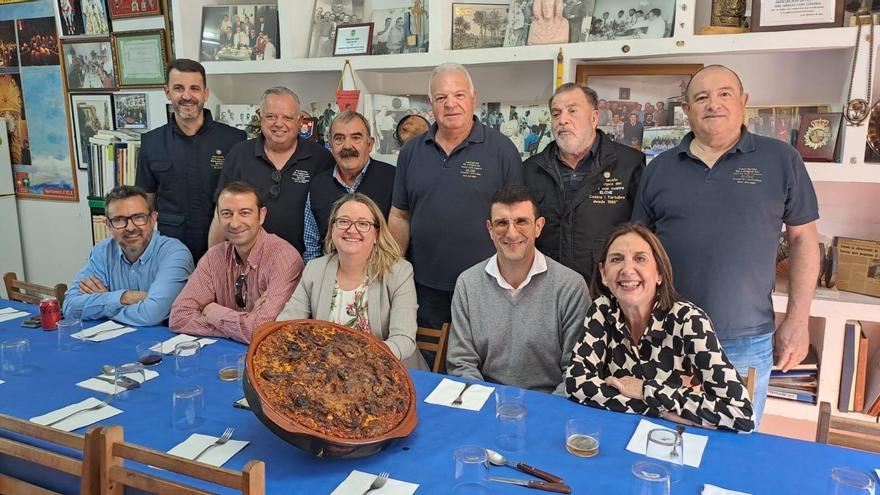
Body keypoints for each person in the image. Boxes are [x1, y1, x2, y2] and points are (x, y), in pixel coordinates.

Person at [632, 65, 820, 425]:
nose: (713, 104)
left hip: (745, 340)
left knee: (736, 443)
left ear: (743, 102)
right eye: (701, 97)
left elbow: (803, 240)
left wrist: (798, 319)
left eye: (724, 94)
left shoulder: (780, 159)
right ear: (686, 111)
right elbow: (640, 250)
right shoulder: (659, 169)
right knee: (661, 437)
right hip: (668, 334)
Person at [565, 223, 755, 432]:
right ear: (603, 273)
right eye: (616, 259)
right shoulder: (602, 311)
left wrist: (646, 389)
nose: (627, 270)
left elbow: (741, 414)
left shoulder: (689, 321)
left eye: (640, 258)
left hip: (678, 440)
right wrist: (659, 410)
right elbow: (577, 384)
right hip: (619, 432)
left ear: (659, 273)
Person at [388, 63, 523, 332]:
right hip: (423, 287)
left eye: (459, 95)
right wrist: (395, 271)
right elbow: (400, 215)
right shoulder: (411, 152)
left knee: (479, 367)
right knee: (427, 364)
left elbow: (517, 222)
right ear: (431, 103)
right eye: (441, 98)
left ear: (474, 97)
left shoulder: (502, 151)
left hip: (486, 287)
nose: (451, 104)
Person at [447, 186, 589, 393]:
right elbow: (461, 363)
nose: (512, 233)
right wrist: (486, 406)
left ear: (538, 227)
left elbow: (576, 371)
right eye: (502, 223)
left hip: (548, 404)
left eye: (521, 221)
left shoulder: (570, 286)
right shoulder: (468, 283)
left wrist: (542, 415)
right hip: (486, 399)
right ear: (489, 229)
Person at [277, 194, 428, 370]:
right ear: (332, 229)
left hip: (389, 374)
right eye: (343, 221)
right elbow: (285, 326)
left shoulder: (399, 272)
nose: (351, 229)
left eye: (363, 224)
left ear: (376, 234)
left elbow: (403, 339)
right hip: (327, 374)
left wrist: (361, 361)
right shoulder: (315, 269)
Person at [523, 83, 644, 283]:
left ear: (594, 118)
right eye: (556, 114)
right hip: (547, 288)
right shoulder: (531, 169)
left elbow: (643, 233)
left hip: (608, 288)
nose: (563, 120)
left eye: (572, 111)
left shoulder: (629, 165)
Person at [136, 59, 246, 263]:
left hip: (226, 248)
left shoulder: (234, 140)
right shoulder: (151, 143)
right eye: (179, 88)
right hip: (171, 251)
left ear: (205, 93)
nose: (187, 96)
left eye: (194, 88)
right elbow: (145, 205)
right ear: (167, 91)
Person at [170, 181, 303, 343]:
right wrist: (244, 325)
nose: (235, 223)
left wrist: (214, 312)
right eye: (227, 214)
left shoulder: (284, 259)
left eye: (244, 213)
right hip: (221, 355)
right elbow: (178, 318)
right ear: (218, 216)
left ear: (262, 215)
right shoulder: (213, 257)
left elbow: (263, 330)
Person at [212, 86, 334, 255]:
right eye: (271, 116)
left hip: (306, 266)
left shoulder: (321, 158)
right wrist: (215, 265)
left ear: (300, 121)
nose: (279, 123)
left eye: (287, 117)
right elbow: (220, 216)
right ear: (260, 118)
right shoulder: (239, 155)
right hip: (247, 265)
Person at [63, 186, 193, 326]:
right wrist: (125, 297)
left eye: (138, 217)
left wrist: (103, 301)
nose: (130, 227)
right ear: (108, 224)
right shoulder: (102, 251)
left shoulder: (175, 253)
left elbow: (152, 314)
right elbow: (70, 307)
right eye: (119, 219)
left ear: (153, 219)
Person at [303, 111, 395, 262]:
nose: (347, 146)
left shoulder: (393, 179)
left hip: (381, 276)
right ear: (330, 145)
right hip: (331, 278)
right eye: (339, 139)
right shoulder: (318, 185)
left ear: (370, 144)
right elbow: (312, 247)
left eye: (356, 138)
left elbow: (399, 240)